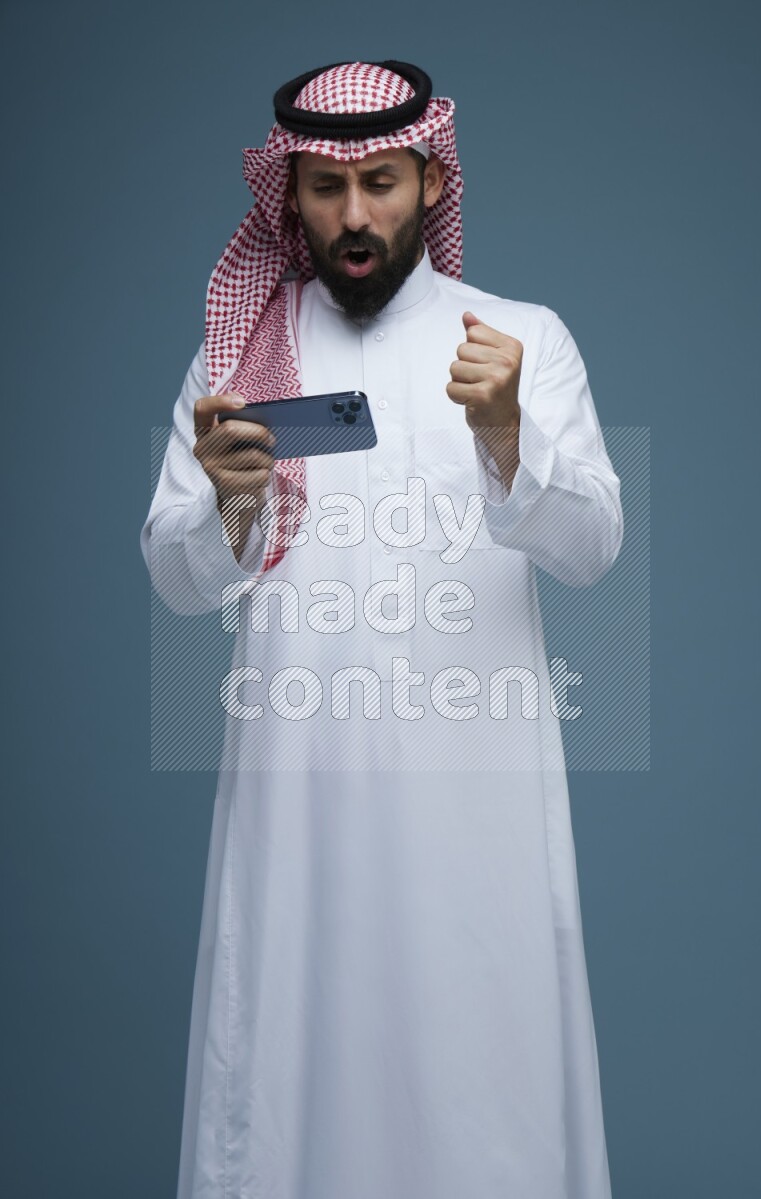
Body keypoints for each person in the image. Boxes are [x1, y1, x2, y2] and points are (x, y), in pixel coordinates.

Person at [142, 59, 623, 1199]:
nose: (354, 217)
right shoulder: (237, 361)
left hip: (479, 816)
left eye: (380, 183)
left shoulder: (518, 339)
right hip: (297, 803)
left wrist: (509, 434)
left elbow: (594, 545)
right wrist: (227, 503)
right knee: (292, 1087)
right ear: (289, 194)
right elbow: (172, 577)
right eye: (324, 188)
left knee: (483, 1091)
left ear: (429, 181)